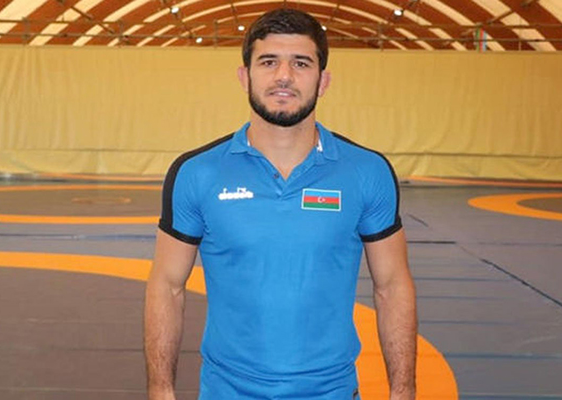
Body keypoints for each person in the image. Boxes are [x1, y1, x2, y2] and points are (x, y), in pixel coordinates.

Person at [144, 8, 417, 400]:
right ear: (245, 76)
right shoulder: (197, 173)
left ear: (323, 81)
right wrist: (161, 391)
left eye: (301, 63)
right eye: (268, 62)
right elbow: (167, 286)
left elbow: (392, 286)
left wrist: (403, 392)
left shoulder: (366, 171)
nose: (284, 76)